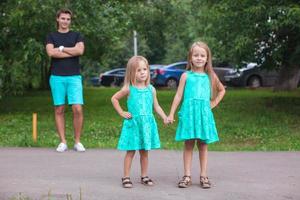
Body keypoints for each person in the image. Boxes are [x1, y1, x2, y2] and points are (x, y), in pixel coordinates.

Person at [168, 41, 225, 188]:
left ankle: (203, 175)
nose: (199, 58)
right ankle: (187, 175)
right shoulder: (186, 76)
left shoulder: (210, 76)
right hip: (189, 114)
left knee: (203, 145)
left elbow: (222, 90)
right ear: (190, 58)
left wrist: (213, 103)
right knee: (188, 144)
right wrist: (171, 113)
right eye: (196, 55)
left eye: (202, 55)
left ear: (207, 58)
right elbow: (178, 95)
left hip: (203, 115)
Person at [111, 56, 169, 188]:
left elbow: (156, 106)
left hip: (147, 125)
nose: (143, 72)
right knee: (130, 151)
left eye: (145, 69)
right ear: (132, 73)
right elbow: (114, 99)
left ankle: (144, 175)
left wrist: (164, 117)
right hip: (134, 124)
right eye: (138, 70)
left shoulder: (151, 89)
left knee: (144, 152)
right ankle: (126, 177)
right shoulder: (128, 89)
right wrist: (121, 112)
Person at [45, 8, 86, 152]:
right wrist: (70, 51)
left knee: (77, 108)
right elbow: (51, 52)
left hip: (74, 77)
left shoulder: (77, 35)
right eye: (63, 18)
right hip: (57, 77)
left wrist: (61, 49)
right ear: (57, 19)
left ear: (70, 21)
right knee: (59, 109)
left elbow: (80, 51)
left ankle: (77, 142)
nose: (65, 21)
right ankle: (63, 142)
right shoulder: (51, 36)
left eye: (68, 19)